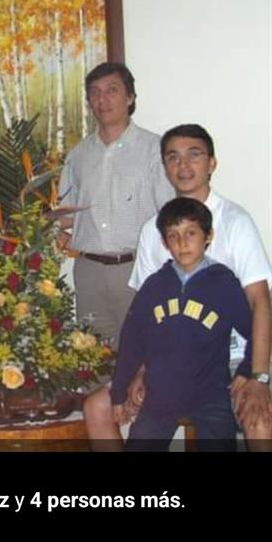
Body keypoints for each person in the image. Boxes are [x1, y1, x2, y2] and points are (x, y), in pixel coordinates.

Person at [85, 124, 272, 446]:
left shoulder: (235, 222)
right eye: (173, 157)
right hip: (168, 358)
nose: (183, 166)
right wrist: (141, 372)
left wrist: (258, 375)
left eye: (194, 155)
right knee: (95, 407)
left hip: (229, 361)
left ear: (211, 163)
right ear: (165, 166)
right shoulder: (153, 230)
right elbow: (146, 320)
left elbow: (260, 304)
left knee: (260, 420)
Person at [92, 198, 252, 451]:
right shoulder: (154, 286)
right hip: (160, 395)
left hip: (211, 395)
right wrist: (119, 394)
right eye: (173, 236)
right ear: (165, 243)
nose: (182, 243)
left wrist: (247, 369)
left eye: (190, 233)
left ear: (208, 235)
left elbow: (256, 330)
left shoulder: (224, 284)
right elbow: (132, 341)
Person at [59, 63, 173, 346]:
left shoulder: (154, 150)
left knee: (145, 357)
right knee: (93, 358)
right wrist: (53, 231)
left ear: (130, 97)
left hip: (137, 268)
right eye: (95, 93)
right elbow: (65, 213)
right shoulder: (78, 156)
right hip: (89, 272)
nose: (102, 100)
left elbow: (169, 214)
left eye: (112, 91)